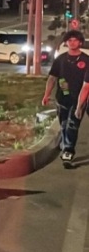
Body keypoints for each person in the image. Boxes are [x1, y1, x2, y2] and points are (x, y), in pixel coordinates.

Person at [46, 30, 89, 162]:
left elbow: (86, 85)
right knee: (64, 124)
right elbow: (52, 78)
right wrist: (46, 95)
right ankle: (65, 144)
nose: (72, 42)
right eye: (69, 40)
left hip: (78, 98)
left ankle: (68, 150)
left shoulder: (86, 60)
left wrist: (79, 106)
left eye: (75, 40)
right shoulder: (61, 59)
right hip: (62, 97)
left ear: (80, 42)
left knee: (72, 124)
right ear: (66, 42)